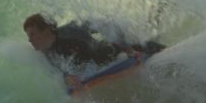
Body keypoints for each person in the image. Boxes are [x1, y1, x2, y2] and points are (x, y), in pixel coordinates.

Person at [23, 13, 165, 92]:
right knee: (141, 40)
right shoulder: (44, 49)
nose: (30, 40)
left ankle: (165, 45)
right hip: (91, 57)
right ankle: (151, 25)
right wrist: (66, 77)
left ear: (46, 30)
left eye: (33, 34)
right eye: (28, 36)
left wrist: (128, 49)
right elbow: (59, 67)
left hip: (101, 52)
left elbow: (99, 26)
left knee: (144, 45)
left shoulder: (69, 38)